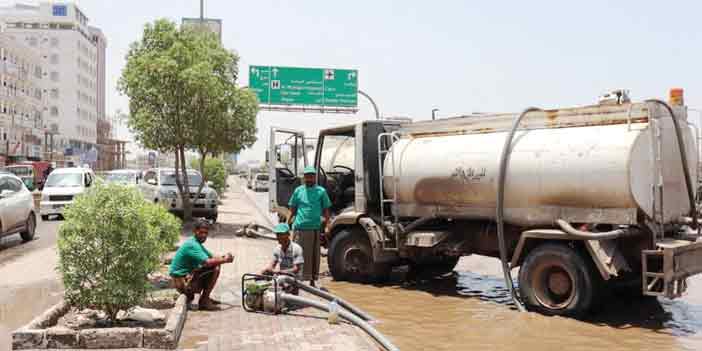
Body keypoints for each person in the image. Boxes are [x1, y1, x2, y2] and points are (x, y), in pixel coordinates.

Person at [169, 218, 234, 310]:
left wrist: (224, 257)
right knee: (216, 267)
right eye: (201, 232)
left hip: (186, 278)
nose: (204, 235)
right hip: (181, 282)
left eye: (206, 233)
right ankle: (204, 300)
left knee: (215, 263)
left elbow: (212, 257)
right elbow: (207, 262)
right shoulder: (192, 245)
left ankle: (204, 298)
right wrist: (225, 260)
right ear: (195, 231)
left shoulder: (196, 243)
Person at [288, 166, 331, 287]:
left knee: (314, 256)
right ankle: (296, 280)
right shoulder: (298, 191)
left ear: (315, 177)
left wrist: (328, 225)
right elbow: (292, 208)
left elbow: (326, 210)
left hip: (314, 229)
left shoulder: (321, 191)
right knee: (297, 255)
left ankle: (312, 281)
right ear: (304, 178)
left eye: (311, 176)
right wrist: (287, 223)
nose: (309, 179)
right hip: (299, 230)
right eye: (307, 176)